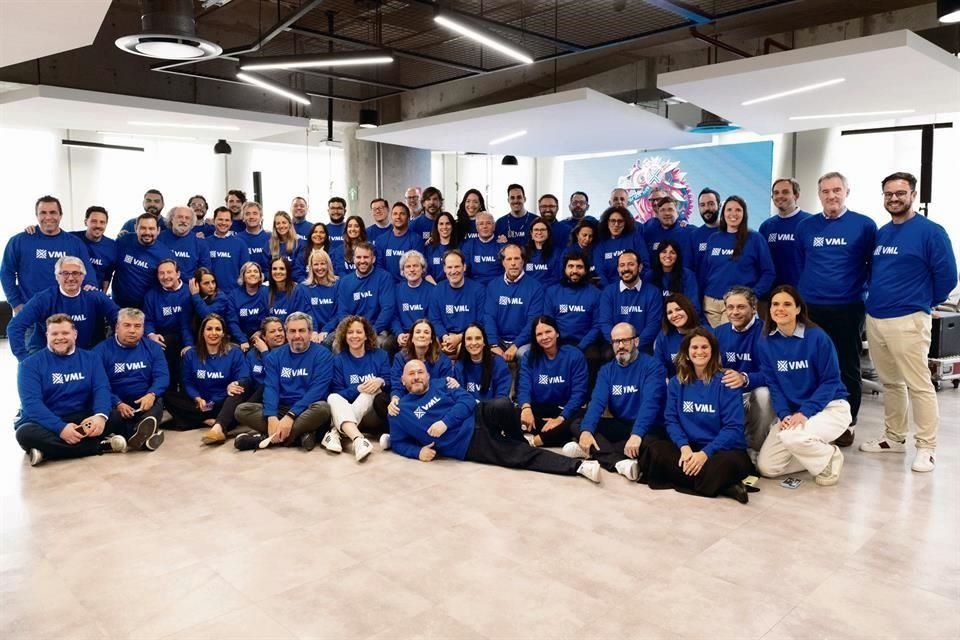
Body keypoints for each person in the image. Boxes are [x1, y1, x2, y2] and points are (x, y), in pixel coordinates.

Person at [860, 172, 958, 472]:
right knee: (890, 383)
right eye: (888, 194)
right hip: (876, 318)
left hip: (909, 319)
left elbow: (948, 277)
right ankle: (894, 439)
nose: (894, 198)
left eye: (900, 193)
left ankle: (926, 447)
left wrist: (921, 304)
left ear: (912, 195)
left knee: (919, 385)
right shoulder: (882, 232)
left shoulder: (931, 232)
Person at [389, 359, 601, 483]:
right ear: (403, 380)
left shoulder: (443, 383)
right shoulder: (399, 411)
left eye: (420, 372)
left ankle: (519, 440)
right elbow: (399, 443)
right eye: (411, 374)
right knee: (518, 456)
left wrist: (445, 422)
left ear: (427, 374)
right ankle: (578, 466)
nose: (416, 377)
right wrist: (418, 453)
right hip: (468, 443)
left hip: (478, 414)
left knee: (503, 404)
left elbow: (466, 401)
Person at [796, 171, 877, 445]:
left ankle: (847, 423)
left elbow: (872, 266)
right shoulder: (806, 227)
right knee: (810, 364)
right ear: (819, 195)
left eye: (836, 190)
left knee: (847, 366)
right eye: (825, 191)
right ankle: (813, 417)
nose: (831, 196)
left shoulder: (864, 225)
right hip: (810, 308)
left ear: (846, 192)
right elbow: (801, 262)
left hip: (847, 306)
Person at [641, 328, 752, 503]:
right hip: (690, 448)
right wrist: (684, 448)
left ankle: (705, 479)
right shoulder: (677, 383)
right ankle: (724, 486)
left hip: (722, 451)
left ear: (713, 351)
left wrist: (705, 454)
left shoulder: (727, 381)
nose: (699, 352)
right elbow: (671, 420)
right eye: (694, 348)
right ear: (686, 353)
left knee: (722, 466)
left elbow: (733, 427)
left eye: (704, 347)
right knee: (655, 450)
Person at [755, 286, 850, 486]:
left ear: (798, 309)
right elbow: (774, 385)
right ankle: (814, 446)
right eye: (775, 304)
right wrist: (783, 414)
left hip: (830, 407)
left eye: (787, 304)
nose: (780, 309)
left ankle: (830, 455)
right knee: (768, 468)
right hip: (795, 413)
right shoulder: (765, 342)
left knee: (792, 438)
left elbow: (831, 381)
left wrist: (804, 412)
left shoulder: (817, 337)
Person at [15, 314, 126, 466]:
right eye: (54, 334)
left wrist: (100, 417)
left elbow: (101, 389)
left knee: (114, 416)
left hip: (81, 415)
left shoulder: (91, 358)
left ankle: (48, 451)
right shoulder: (29, 365)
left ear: (75, 334)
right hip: (48, 420)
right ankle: (100, 446)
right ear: (47, 335)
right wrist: (60, 428)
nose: (60, 338)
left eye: (65, 333)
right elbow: (31, 404)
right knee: (25, 433)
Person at [565, 322, 666, 481]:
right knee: (578, 424)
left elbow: (650, 404)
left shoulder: (653, 367)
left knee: (650, 445)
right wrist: (586, 432)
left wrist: (637, 434)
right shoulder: (607, 370)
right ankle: (619, 462)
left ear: (636, 341)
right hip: (622, 424)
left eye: (625, 340)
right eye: (615, 342)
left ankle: (589, 451)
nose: (620, 346)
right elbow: (597, 402)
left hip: (649, 427)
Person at [233, 312, 333, 451]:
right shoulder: (275, 356)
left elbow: (317, 390)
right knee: (241, 410)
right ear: (287, 333)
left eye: (301, 330)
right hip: (282, 408)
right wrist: (271, 417)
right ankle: (300, 436)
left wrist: (291, 416)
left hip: (307, 409)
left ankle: (267, 438)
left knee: (323, 409)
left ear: (310, 333)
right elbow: (271, 388)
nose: (297, 335)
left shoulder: (323, 355)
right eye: (292, 331)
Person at [8, 256, 119, 362]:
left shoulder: (96, 297)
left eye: (76, 273)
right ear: (57, 276)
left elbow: (120, 320)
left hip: (86, 355)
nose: (70, 278)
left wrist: (113, 350)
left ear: (83, 276)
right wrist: (23, 358)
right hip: (48, 354)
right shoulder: (43, 299)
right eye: (65, 273)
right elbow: (15, 326)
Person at [3, 195, 96, 314]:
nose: (48, 217)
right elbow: (6, 273)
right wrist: (16, 303)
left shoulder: (75, 243)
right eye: (43, 213)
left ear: (60, 215)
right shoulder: (19, 241)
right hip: (31, 314)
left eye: (53, 212)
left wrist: (90, 286)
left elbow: (88, 273)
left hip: (66, 314)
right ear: (37, 216)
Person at [166, 314, 250, 444]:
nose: (213, 333)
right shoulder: (190, 354)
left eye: (218, 329)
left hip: (222, 402)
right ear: (203, 332)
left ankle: (218, 427)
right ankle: (207, 420)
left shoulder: (235, 352)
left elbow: (245, 377)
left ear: (223, 333)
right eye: (209, 329)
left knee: (238, 392)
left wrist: (235, 383)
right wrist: (197, 398)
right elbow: (187, 382)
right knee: (167, 396)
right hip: (201, 404)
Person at [94, 308, 168, 452]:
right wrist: (117, 403)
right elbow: (98, 385)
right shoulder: (100, 352)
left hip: (144, 401)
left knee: (158, 401)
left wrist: (151, 394)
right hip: (116, 405)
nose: (132, 330)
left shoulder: (153, 348)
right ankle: (143, 436)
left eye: (137, 326)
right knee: (109, 413)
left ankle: (137, 433)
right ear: (117, 327)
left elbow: (162, 376)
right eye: (127, 325)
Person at [714, 287, 775, 453]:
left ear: (754, 308)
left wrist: (745, 378)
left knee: (764, 393)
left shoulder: (767, 333)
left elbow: (773, 374)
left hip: (753, 393)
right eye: (730, 307)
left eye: (741, 307)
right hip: (729, 393)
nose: (734, 312)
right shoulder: (719, 332)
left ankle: (757, 448)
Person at [321, 316, 392, 459]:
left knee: (372, 389)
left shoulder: (380, 355)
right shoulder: (339, 360)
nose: (354, 336)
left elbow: (390, 382)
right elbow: (338, 393)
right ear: (344, 336)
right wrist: (357, 389)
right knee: (332, 397)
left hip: (371, 416)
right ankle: (358, 440)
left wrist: (380, 381)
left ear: (366, 335)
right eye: (350, 332)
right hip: (349, 410)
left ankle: (335, 432)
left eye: (359, 332)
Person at [702, 195, 775, 327]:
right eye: (729, 210)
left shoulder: (755, 239)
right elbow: (705, 271)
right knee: (713, 344)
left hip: (737, 305)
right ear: (723, 213)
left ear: (744, 214)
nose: (733, 214)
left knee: (728, 344)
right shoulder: (714, 238)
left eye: (738, 210)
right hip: (710, 304)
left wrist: (753, 294)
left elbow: (768, 272)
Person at [516, 316, 588, 448]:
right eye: (539, 334)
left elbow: (579, 394)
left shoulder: (574, 355)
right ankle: (559, 438)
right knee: (513, 413)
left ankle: (534, 441)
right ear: (535, 338)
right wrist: (526, 408)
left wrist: (561, 418)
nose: (544, 337)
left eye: (548, 332)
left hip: (566, 411)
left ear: (557, 333)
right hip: (540, 410)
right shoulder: (529, 357)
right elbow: (524, 387)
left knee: (579, 421)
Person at [323, 241, 396, 346]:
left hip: (377, 329)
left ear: (373, 259)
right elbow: (342, 312)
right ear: (353, 259)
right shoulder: (345, 282)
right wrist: (353, 332)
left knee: (381, 344)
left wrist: (371, 332)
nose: (362, 261)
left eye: (366, 257)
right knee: (331, 342)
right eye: (359, 257)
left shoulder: (384, 278)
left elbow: (387, 309)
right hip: (351, 329)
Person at [544, 251, 603, 376]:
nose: (574, 271)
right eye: (571, 266)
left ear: (586, 270)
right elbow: (548, 322)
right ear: (564, 269)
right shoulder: (552, 292)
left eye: (579, 267)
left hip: (585, 344)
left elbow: (597, 325)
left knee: (593, 357)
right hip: (558, 342)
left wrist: (581, 346)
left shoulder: (596, 294)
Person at [483, 244, 544, 362]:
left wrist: (516, 344)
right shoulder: (493, 286)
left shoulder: (536, 287)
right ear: (503, 262)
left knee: (524, 355)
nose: (513, 263)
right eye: (509, 259)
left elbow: (533, 321)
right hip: (498, 341)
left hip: (524, 343)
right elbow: (489, 317)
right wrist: (493, 344)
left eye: (517, 258)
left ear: (523, 261)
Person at [142, 259, 195, 387]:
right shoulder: (151, 295)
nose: (165, 277)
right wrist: (151, 335)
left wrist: (189, 344)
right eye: (161, 273)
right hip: (164, 338)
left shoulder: (190, 292)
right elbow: (148, 320)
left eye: (169, 272)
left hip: (189, 337)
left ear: (178, 274)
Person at [598, 250, 662, 353]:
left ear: (640, 267)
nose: (626, 269)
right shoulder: (608, 292)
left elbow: (653, 325)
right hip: (616, 348)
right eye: (622, 265)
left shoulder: (653, 292)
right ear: (618, 269)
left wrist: (634, 346)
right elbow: (605, 324)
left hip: (643, 347)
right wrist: (620, 345)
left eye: (631, 264)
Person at [113, 213, 177, 309]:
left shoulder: (165, 255)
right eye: (143, 228)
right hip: (116, 304)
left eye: (151, 229)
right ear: (136, 228)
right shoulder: (124, 241)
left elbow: (170, 283)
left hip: (146, 308)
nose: (147, 232)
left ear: (158, 230)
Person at [429, 249, 485, 358]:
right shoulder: (437, 290)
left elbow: (481, 322)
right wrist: (445, 337)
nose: (453, 271)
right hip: (444, 338)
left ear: (464, 267)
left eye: (457, 266)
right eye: (449, 267)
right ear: (444, 269)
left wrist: (460, 338)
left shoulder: (478, 290)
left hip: (469, 337)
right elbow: (434, 320)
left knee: (464, 349)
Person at [389, 318, 456, 406]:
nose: (422, 335)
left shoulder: (443, 360)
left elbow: (444, 387)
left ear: (431, 339)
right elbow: (397, 385)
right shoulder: (400, 357)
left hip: (434, 402)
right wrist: (395, 398)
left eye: (426, 332)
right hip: (408, 401)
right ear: (412, 338)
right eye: (418, 332)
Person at [759, 178, 812, 289]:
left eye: (785, 192)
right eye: (776, 193)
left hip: (802, 294)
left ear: (796, 195)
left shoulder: (811, 223)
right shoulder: (766, 226)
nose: (780, 196)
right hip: (772, 293)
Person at [592, 206, 650, 287]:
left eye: (620, 221)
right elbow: (601, 274)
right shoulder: (601, 245)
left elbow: (645, 265)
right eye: (612, 221)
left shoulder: (635, 239)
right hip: (610, 290)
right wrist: (611, 292)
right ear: (607, 223)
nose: (616, 224)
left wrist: (634, 286)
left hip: (635, 287)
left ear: (625, 223)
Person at [454, 323, 512, 401]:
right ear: (464, 343)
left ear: (484, 342)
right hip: (468, 410)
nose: (473, 343)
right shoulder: (459, 365)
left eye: (478, 338)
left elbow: (501, 398)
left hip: (493, 411)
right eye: (469, 339)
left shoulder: (499, 363)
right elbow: (459, 397)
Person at [391, 250, 435, 352]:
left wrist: (417, 335)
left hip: (424, 335)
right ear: (403, 270)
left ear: (422, 269)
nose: (412, 270)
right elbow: (393, 316)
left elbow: (433, 318)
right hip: (403, 334)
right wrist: (399, 334)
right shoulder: (396, 290)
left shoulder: (432, 290)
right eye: (408, 266)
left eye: (415, 266)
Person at [653, 294, 704, 379]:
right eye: (670, 312)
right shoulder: (664, 337)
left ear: (688, 309)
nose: (674, 315)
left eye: (678, 309)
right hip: (676, 387)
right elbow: (658, 368)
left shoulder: (706, 333)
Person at [206, 206, 252, 295]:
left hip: (235, 294)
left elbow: (245, 271)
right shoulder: (205, 243)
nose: (223, 223)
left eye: (227, 220)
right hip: (211, 294)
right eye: (220, 219)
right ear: (213, 220)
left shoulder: (240, 244)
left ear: (231, 222)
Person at [189, 266, 243, 341]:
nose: (211, 286)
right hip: (198, 337)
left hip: (218, 338)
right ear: (197, 285)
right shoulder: (191, 297)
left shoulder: (221, 297)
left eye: (213, 282)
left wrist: (195, 296)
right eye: (206, 283)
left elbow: (207, 315)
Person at [72, 205, 117, 291]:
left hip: (94, 294)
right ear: (86, 222)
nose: (98, 225)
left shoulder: (112, 246)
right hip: (72, 292)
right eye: (94, 221)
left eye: (102, 222)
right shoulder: (72, 238)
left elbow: (108, 275)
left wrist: (103, 295)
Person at [650, 238, 700, 315]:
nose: (668, 256)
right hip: (657, 319)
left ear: (677, 256)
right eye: (664, 252)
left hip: (681, 318)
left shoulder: (687, 275)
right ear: (658, 255)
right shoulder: (649, 276)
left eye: (672, 252)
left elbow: (693, 304)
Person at [377, 202, 425, 282]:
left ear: (408, 218)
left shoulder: (416, 240)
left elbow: (419, 266)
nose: (398, 217)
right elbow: (379, 267)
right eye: (395, 214)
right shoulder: (382, 239)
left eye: (402, 214)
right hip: (388, 286)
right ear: (391, 217)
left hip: (409, 285)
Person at [158, 206, 211, 277]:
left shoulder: (200, 242)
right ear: (172, 219)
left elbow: (205, 270)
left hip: (189, 286)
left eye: (187, 218)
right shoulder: (160, 238)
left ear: (192, 222)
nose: (183, 220)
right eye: (180, 217)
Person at [643, 196, 695, 267]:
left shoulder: (690, 231)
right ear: (658, 214)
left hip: (682, 277)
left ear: (677, 212)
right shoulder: (650, 230)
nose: (666, 213)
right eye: (662, 210)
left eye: (670, 209)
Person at [243, 316, 286, 400]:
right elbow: (247, 377)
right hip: (256, 394)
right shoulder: (252, 354)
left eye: (280, 330)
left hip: (279, 395)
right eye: (272, 331)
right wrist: (237, 383)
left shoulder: (289, 352)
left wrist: (265, 352)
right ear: (264, 337)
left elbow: (277, 377)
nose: (278, 334)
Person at [302, 248, 338, 343]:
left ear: (328, 265)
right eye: (316, 264)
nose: (319, 268)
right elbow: (307, 312)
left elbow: (339, 313)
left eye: (322, 263)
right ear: (311, 267)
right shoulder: (304, 288)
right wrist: (314, 331)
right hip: (313, 330)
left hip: (334, 329)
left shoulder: (338, 284)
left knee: (328, 341)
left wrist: (326, 330)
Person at [230, 261, 268, 348]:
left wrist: (261, 332)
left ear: (260, 276)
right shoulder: (233, 295)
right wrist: (242, 340)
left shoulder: (267, 292)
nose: (252, 274)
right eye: (248, 271)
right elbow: (232, 321)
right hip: (240, 340)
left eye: (255, 271)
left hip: (264, 336)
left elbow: (271, 317)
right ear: (243, 276)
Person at [461, 211, 504, 285]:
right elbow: (464, 272)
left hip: (498, 286)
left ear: (494, 226)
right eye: (481, 224)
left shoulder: (502, 246)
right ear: (476, 227)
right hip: (475, 287)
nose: (485, 226)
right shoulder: (468, 246)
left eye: (488, 223)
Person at [264, 257, 309, 324]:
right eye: (274, 269)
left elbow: (300, 318)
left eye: (282, 269)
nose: (278, 272)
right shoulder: (265, 291)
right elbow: (264, 318)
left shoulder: (298, 290)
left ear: (288, 271)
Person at [691, 187, 721, 279]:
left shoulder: (732, 232)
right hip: (703, 292)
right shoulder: (694, 236)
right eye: (702, 205)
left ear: (719, 206)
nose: (707, 208)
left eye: (711, 204)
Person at [523, 218, 563, 287]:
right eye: (536, 230)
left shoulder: (557, 253)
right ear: (531, 234)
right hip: (528, 291)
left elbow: (557, 277)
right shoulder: (523, 252)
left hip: (549, 291)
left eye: (543, 230)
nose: (539, 232)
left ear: (548, 233)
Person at [236, 201, 271, 273]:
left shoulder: (270, 237)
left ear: (261, 217)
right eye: (247, 214)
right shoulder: (237, 239)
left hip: (267, 281)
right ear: (243, 218)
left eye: (255, 213)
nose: (251, 217)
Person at [424, 211, 458, 283]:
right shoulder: (429, 248)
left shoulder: (459, 247)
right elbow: (426, 272)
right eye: (441, 224)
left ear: (452, 226)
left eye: (448, 223)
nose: (444, 227)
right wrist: (437, 287)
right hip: (434, 288)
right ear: (437, 226)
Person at [270, 211, 303, 280]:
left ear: (290, 224)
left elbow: (298, 269)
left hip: (294, 282)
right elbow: (266, 269)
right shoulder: (269, 245)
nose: (281, 226)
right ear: (275, 227)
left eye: (284, 223)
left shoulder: (299, 244)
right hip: (275, 283)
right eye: (278, 223)